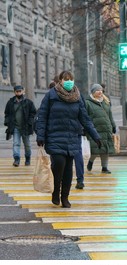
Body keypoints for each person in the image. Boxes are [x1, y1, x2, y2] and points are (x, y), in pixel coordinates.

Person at [35, 70, 101, 208]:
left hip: (72, 137)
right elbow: (42, 116)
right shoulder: (51, 96)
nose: (69, 81)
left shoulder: (78, 97)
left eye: (71, 79)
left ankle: (65, 197)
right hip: (54, 136)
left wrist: (95, 136)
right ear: (60, 81)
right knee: (58, 164)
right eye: (66, 79)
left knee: (68, 170)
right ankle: (55, 192)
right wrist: (40, 136)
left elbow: (85, 119)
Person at [85, 83, 116, 174]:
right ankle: (91, 161)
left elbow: (110, 116)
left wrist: (113, 126)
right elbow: (85, 117)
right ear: (93, 92)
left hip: (106, 130)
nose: (100, 92)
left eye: (101, 90)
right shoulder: (88, 103)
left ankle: (104, 167)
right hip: (95, 130)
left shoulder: (106, 102)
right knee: (95, 150)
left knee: (105, 150)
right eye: (98, 90)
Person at [4, 85, 37, 167]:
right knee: (16, 143)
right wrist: (7, 122)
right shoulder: (10, 102)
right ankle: (16, 159)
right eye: (17, 91)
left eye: (20, 91)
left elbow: (33, 113)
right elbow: (7, 113)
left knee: (27, 144)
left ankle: (28, 158)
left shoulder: (28, 102)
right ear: (14, 92)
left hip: (25, 127)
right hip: (15, 127)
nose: (18, 93)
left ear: (23, 91)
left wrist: (30, 122)